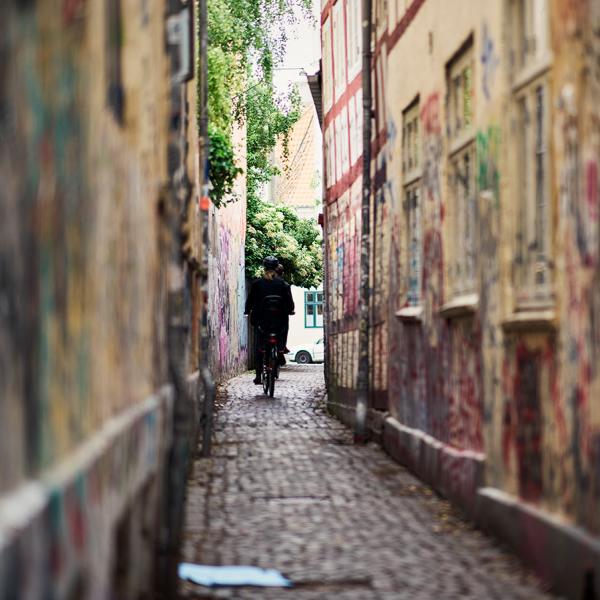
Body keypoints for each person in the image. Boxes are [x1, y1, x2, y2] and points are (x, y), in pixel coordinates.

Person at [245, 256, 295, 384]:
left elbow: (250, 301)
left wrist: (247, 311)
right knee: (285, 322)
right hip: (279, 322)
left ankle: (258, 375)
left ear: (264, 268)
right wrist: (290, 310)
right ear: (276, 268)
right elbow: (290, 304)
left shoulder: (257, 284)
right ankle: (281, 347)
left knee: (259, 345)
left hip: (262, 322)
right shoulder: (283, 284)